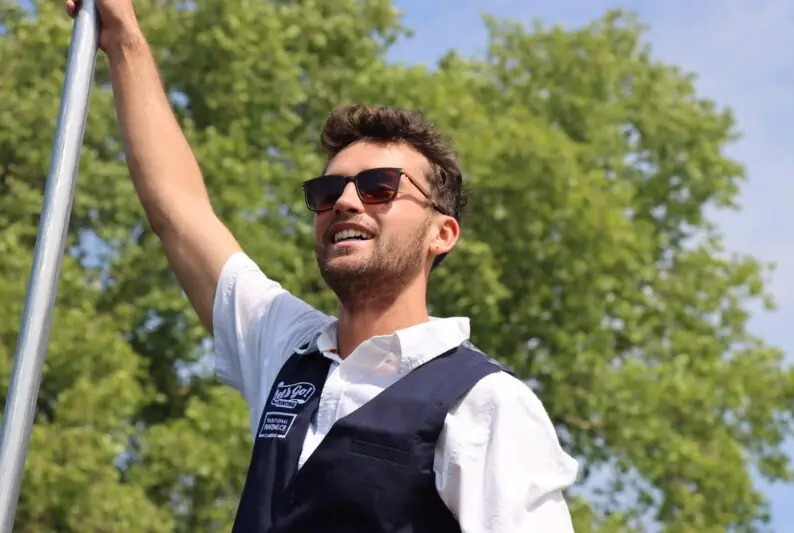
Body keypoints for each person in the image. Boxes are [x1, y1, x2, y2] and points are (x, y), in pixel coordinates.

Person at [66, 0, 580, 531]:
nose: (347, 202)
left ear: (441, 233)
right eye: (329, 189)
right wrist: (124, 39)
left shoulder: (485, 402)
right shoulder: (289, 350)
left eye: (380, 188)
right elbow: (179, 213)